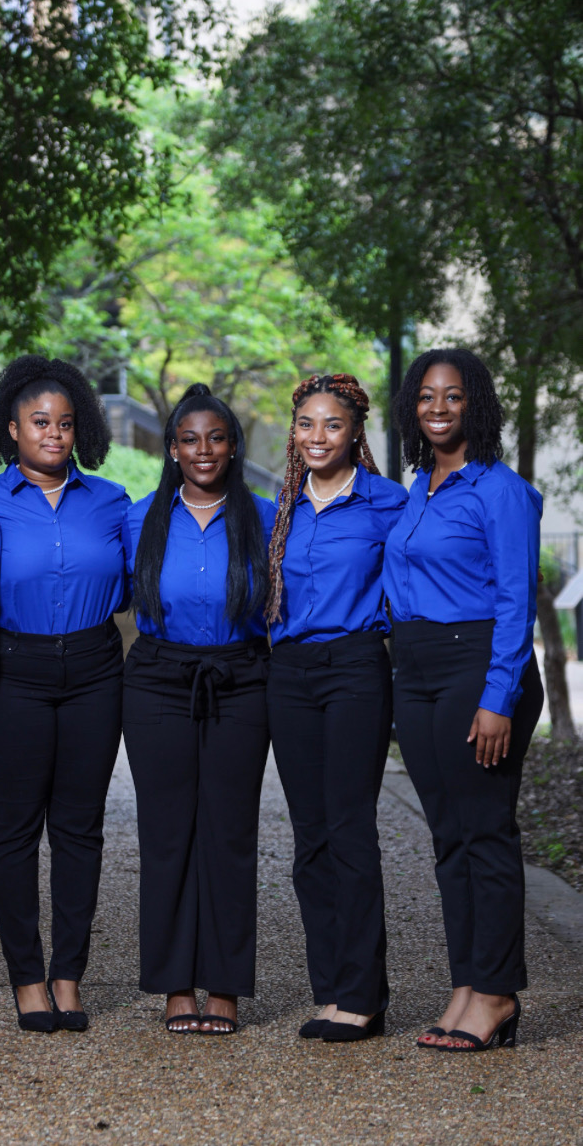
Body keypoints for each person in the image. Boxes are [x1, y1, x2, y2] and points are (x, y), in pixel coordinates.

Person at [384, 347, 544, 1053]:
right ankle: (467, 983)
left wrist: (498, 697)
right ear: (410, 410)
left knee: (484, 830)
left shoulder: (500, 490)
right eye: (425, 397)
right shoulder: (417, 489)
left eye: (452, 396)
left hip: (479, 663)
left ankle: (499, 993)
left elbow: (517, 600)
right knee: (447, 837)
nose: (438, 409)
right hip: (415, 667)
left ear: (475, 404)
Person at [0, 356, 130, 1034]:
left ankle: (69, 976)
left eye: (66, 423)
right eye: (40, 422)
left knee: (79, 828)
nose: (54, 434)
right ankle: (26, 979)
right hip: (13, 672)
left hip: (96, 666)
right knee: (14, 830)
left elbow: (139, 581)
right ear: (13, 428)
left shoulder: (113, 502)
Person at [122, 383, 275, 1035]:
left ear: (233, 446)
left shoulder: (269, 514)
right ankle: (174, 986)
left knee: (230, 835)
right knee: (166, 835)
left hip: (242, 679)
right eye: (189, 439)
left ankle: (227, 987)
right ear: (172, 449)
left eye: (216, 437)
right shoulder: (138, 518)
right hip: (159, 680)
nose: (203, 449)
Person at [265, 373, 407, 1042]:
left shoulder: (388, 503)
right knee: (310, 838)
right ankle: (330, 990)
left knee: (349, 831)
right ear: (294, 433)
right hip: (289, 674)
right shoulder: (282, 507)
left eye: (332, 425)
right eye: (306, 425)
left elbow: (411, 580)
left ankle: (363, 995)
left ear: (355, 433)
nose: (317, 436)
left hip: (355, 669)